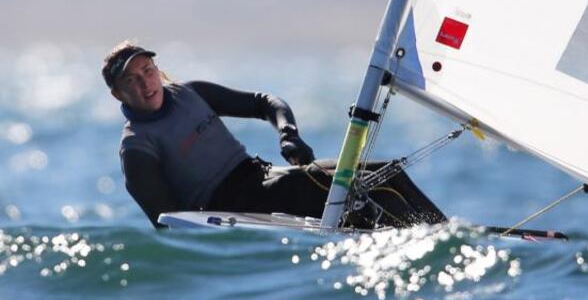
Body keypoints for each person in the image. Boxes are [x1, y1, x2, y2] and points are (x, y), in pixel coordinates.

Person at [103, 40, 445, 229]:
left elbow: (264, 102)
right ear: (119, 94)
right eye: (131, 80)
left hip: (263, 176)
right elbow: (168, 223)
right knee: (356, 188)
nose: (144, 82)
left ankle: (445, 232)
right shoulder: (137, 147)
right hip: (235, 204)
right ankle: (429, 240)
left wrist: (288, 134)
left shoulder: (190, 93)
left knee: (386, 173)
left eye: (147, 71)